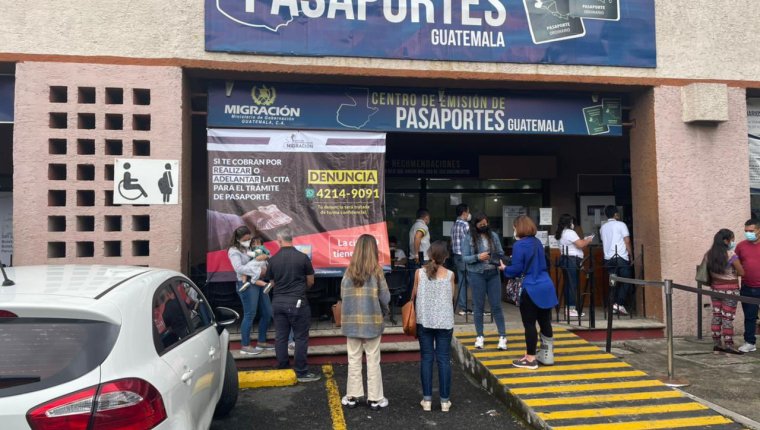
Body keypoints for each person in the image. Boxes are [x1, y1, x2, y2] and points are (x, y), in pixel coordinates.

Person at [339, 234, 391, 410]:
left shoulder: (348, 272)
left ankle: (352, 397)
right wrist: (383, 311)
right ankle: (375, 399)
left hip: (351, 323)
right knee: (373, 360)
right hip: (372, 322)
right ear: (373, 250)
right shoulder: (377, 272)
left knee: (353, 359)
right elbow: (386, 297)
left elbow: (343, 296)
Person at [500, 215, 558, 369]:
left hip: (531, 287)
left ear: (518, 228)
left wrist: (505, 268)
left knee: (530, 324)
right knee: (545, 322)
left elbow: (517, 269)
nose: (513, 231)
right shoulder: (537, 242)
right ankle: (547, 355)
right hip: (546, 286)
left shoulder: (519, 245)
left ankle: (530, 358)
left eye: (514, 228)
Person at [267, 228, 321, 382]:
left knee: (281, 337)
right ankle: (301, 372)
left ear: (279, 241)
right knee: (300, 338)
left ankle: (283, 368)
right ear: (292, 239)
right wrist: (301, 290)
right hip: (298, 302)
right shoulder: (303, 258)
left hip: (278, 302)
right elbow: (311, 281)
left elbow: (272, 283)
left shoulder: (273, 260)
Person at [415, 240, 456, 412]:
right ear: (445, 257)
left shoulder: (419, 273)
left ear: (430, 254)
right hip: (444, 322)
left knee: (426, 358)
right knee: (444, 359)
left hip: (424, 321)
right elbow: (451, 298)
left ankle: (427, 401)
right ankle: (445, 401)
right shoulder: (450, 275)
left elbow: (414, 294)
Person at [461, 212, 507, 351]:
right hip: (477, 274)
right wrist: (478, 257)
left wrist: (495, 257)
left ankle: (502, 336)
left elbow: (501, 253)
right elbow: (465, 258)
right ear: (475, 225)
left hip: (493, 273)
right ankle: (479, 336)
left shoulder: (493, 236)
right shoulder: (469, 237)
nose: (483, 226)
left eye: (485, 224)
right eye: (480, 224)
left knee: (496, 306)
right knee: (478, 307)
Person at [228, 226, 274, 355]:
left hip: (258, 282)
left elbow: (263, 256)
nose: (248, 241)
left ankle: (261, 341)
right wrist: (259, 271)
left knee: (268, 312)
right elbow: (238, 268)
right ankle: (245, 345)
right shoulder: (233, 251)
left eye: (249, 239)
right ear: (238, 239)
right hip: (246, 284)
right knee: (250, 314)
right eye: (245, 239)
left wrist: (265, 260)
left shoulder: (250, 247)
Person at [704, 229, 744, 354]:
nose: (733, 242)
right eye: (732, 240)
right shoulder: (731, 255)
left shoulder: (708, 254)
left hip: (715, 290)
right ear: (726, 241)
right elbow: (742, 272)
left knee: (717, 315)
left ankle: (717, 344)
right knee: (728, 318)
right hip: (730, 290)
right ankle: (729, 345)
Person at [555, 214, 593, 318]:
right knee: (572, 285)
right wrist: (588, 240)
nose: (573, 224)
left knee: (569, 284)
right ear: (569, 222)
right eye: (572, 222)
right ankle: (571, 309)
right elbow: (580, 244)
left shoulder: (561, 232)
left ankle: (569, 308)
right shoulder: (570, 232)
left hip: (565, 260)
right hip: (572, 260)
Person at [599, 205, 634, 315]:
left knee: (613, 282)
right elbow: (627, 241)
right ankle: (619, 303)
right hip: (620, 257)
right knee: (626, 281)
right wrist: (631, 255)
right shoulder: (621, 225)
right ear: (615, 214)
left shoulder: (603, 227)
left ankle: (613, 304)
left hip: (608, 258)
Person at [736, 219, 760, 353]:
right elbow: (735, 265)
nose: (748, 233)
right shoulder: (741, 246)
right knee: (750, 317)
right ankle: (750, 342)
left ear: (759, 230)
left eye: (751, 231)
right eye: (746, 231)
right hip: (748, 287)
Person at [450, 203, 472, 315]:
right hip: (465, 256)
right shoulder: (465, 225)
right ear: (464, 213)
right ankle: (475, 306)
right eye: (468, 212)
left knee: (462, 282)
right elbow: (471, 241)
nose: (469, 214)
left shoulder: (454, 225)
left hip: (456, 256)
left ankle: (463, 308)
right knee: (472, 280)